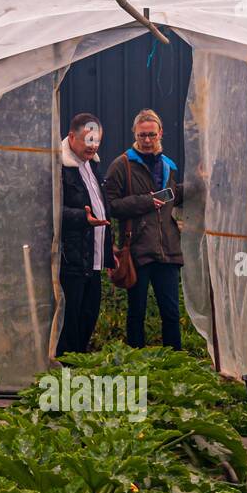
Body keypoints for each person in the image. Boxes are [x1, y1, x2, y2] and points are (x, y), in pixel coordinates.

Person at [102, 108, 183, 351]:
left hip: (167, 249)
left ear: (160, 133)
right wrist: (145, 201)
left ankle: (175, 364)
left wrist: (201, 185)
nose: (147, 141)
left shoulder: (168, 165)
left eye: (151, 135)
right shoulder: (121, 165)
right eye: (142, 136)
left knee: (171, 312)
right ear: (134, 135)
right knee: (136, 311)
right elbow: (110, 205)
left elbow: (172, 198)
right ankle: (135, 363)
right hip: (137, 250)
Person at [57, 112, 115, 356]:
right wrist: (82, 218)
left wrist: (109, 254)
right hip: (72, 259)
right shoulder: (59, 167)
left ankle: (79, 367)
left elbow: (102, 208)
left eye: (97, 141)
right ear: (72, 136)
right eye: (88, 140)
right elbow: (47, 211)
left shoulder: (92, 165)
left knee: (89, 316)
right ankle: (65, 370)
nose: (93, 146)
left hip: (93, 259)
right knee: (71, 320)